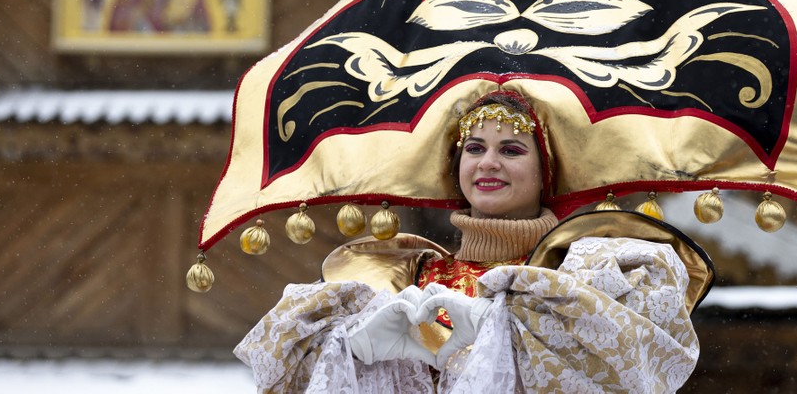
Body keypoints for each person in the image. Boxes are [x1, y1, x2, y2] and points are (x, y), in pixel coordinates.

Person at [234, 90, 714, 393]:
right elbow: (436, 356)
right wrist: (357, 353)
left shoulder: (576, 279)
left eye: (511, 150)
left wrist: (496, 322)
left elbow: (632, 373)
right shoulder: (412, 279)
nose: (488, 163)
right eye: (474, 148)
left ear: (545, 173)